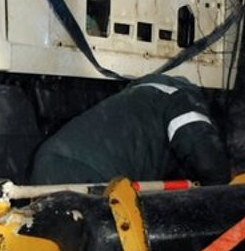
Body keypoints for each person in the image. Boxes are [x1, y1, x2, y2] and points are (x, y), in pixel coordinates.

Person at [29, 73, 231, 186]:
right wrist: (222, 189)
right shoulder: (181, 97)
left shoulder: (139, 98)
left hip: (49, 161)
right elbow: (202, 150)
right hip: (90, 173)